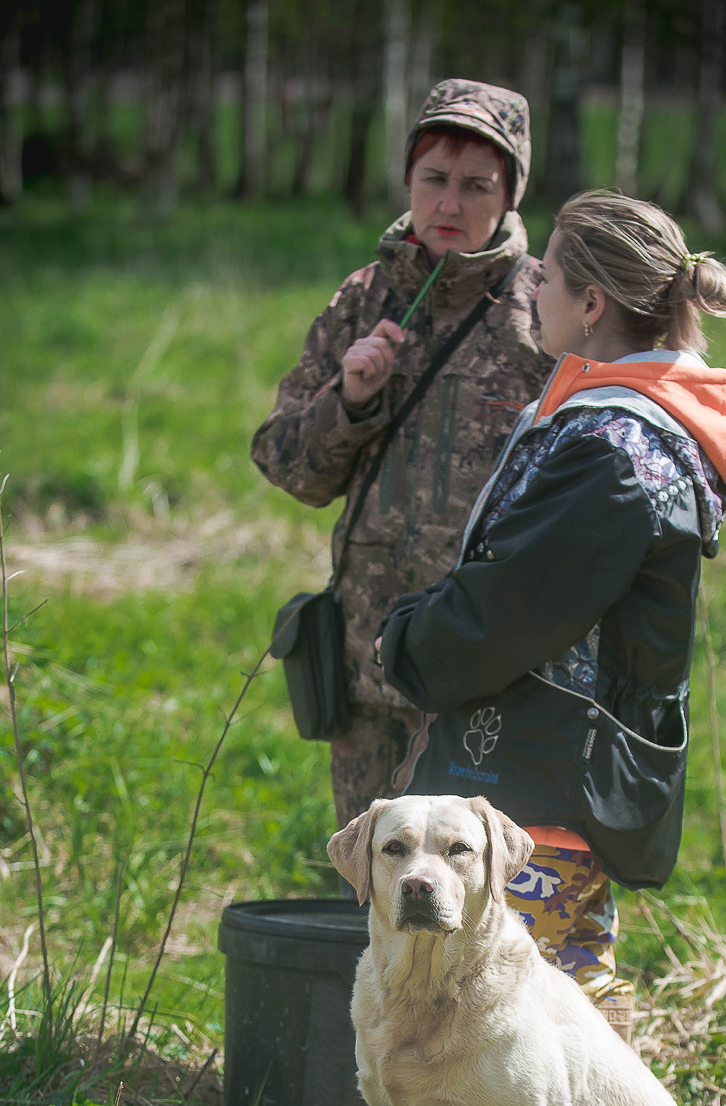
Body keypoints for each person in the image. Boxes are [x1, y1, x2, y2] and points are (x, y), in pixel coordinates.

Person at [377, 192, 726, 1036]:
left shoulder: (612, 450)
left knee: (516, 1035)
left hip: (538, 780)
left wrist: (404, 642)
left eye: (546, 277)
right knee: (556, 1015)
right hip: (556, 772)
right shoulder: (623, 420)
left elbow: (509, 611)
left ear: (591, 305)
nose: (532, 290)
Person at [251, 80, 551, 828]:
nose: (449, 205)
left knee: (475, 892)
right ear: (409, 182)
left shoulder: (547, 309)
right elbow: (289, 468)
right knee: (374, 885)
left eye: (476, 186)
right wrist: (348, 401)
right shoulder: (364, 298)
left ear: (511, 193)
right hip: (366, 660)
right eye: (433, 180)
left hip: (489, 669)